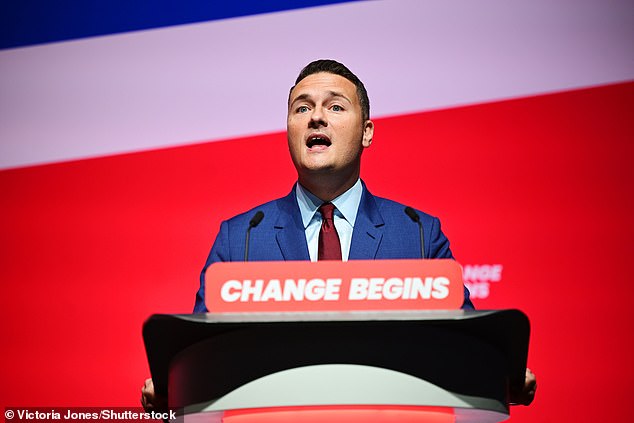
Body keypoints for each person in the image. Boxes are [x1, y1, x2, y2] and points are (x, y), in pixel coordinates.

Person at [142, 59, 536, 410]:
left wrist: (502, 373)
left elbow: (465, 343)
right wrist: (171, 387)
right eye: (302, 108)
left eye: (334, 106)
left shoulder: (416, 233)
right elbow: (197, 356)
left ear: (366, 132)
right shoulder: (242, 237)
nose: (316, 118)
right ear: (288, 130)